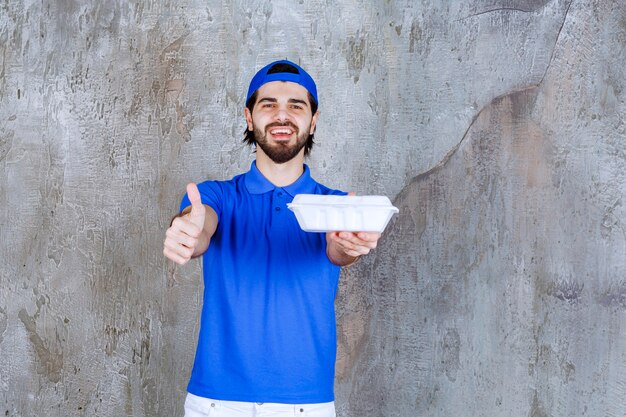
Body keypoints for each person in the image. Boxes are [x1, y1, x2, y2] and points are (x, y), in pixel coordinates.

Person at [163, 60, 382, 417]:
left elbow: (339, 247)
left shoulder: (335, 205)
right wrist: (187, 230)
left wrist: (347, 245)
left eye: (296, 105)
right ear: (249, 117)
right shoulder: (213, 197)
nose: (282, 115)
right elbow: (200, 227)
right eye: (268, 105)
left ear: (314, 120)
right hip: (216, 403)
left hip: (305, 405)